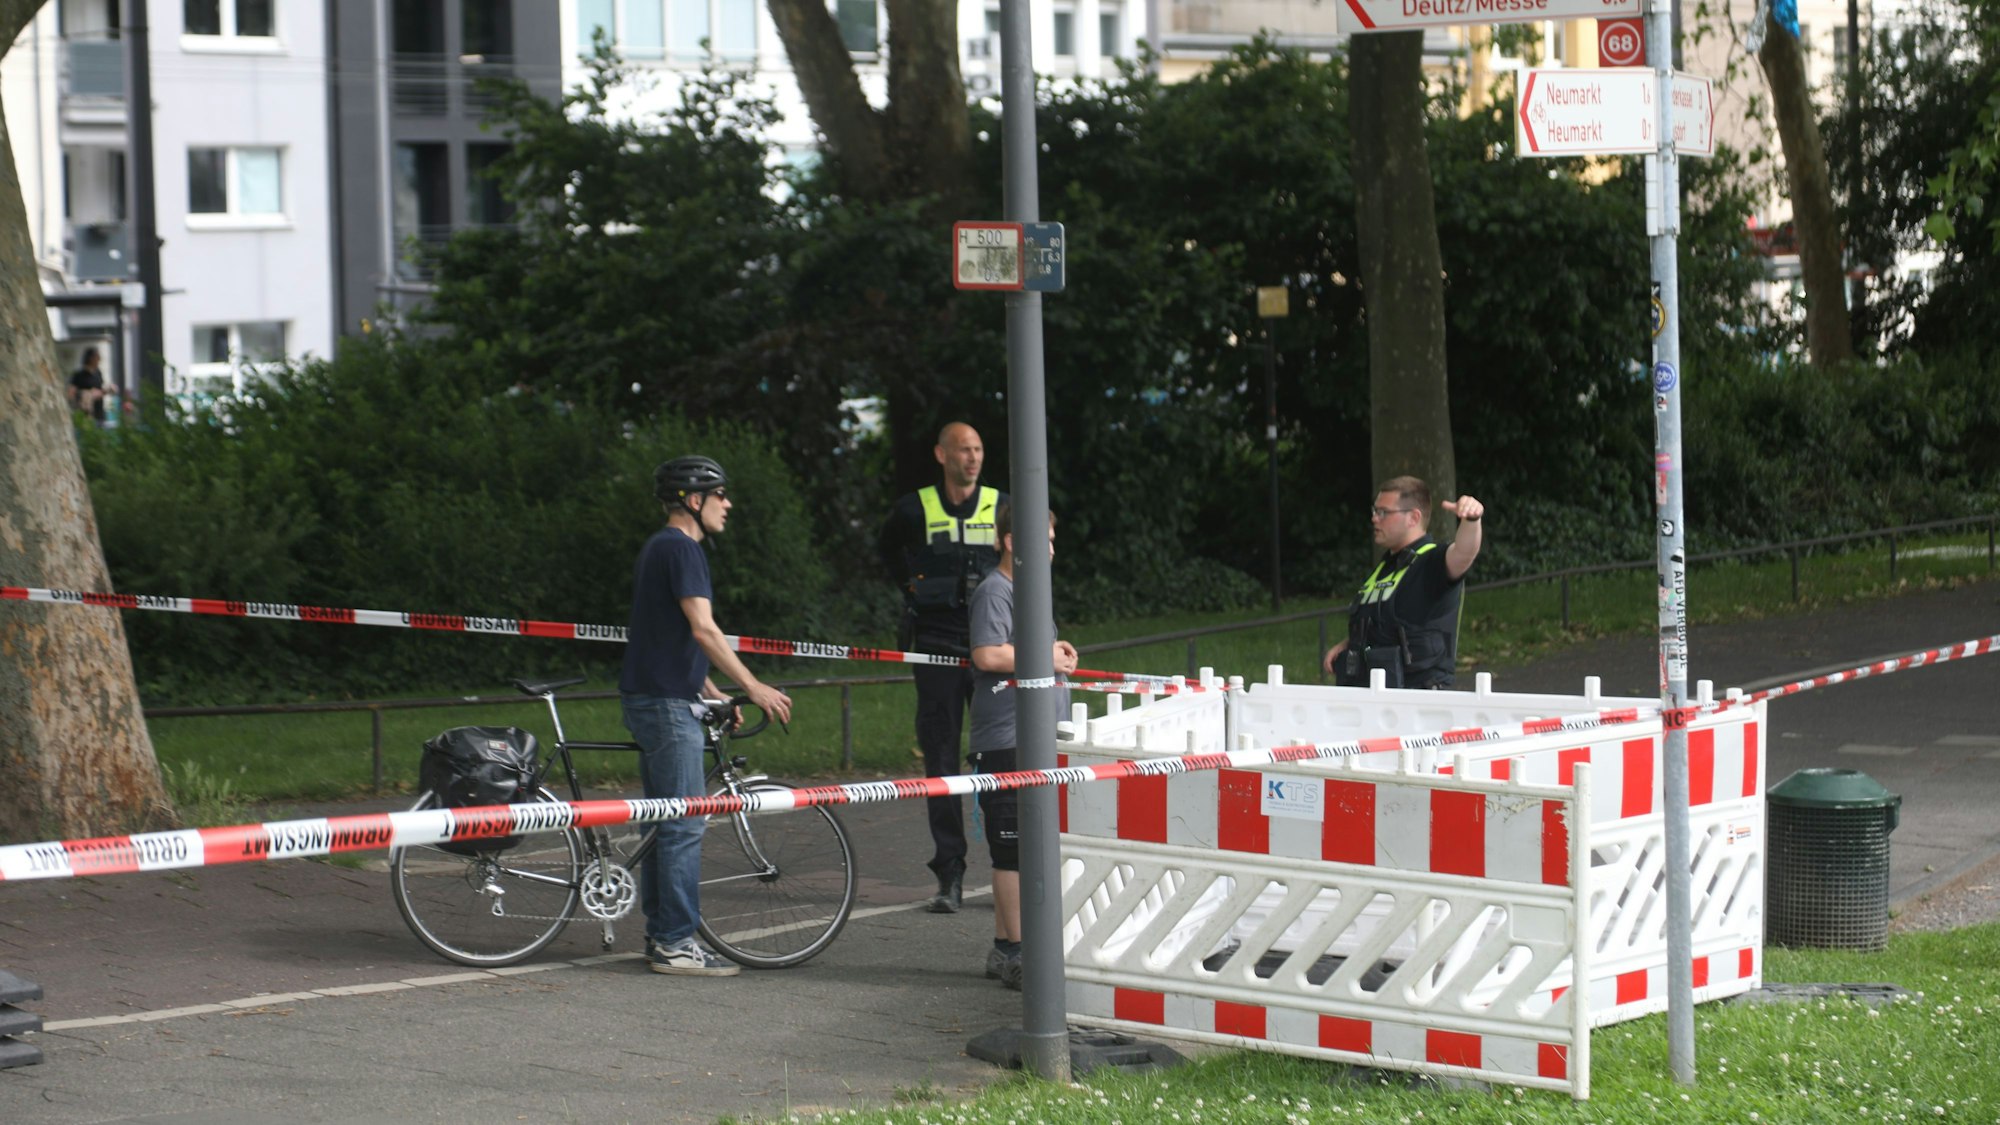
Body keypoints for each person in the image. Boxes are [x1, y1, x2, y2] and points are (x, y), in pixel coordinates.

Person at [621, 455, 794, 976]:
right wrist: (752, 685)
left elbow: (668, 643)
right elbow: (703, 631)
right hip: (667, 708)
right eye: (721, 494)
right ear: (694, 501)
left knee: (663, 822)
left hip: (656, 698)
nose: (729, 504)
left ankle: (662, 937)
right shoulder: (684, 549)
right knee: (685, 825)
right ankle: (675, 943)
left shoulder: (660, 547)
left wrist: (714, 696)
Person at [877, 422, 1004, 913]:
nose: (972, 459)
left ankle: (1009, 863)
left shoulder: (1003, 504)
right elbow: (886, 550)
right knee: (942, 759)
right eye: (962, 450)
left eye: (977, 449)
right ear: (941, 455)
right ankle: (949, 873)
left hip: (992, 641)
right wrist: (911, 590)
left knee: (1003, 756)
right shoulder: (914, 508)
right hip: (936, 644)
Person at [967, 501, 1077, 988]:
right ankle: (1015, 950)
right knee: (1012, 849)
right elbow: (989, 654)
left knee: (1022, 845)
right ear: (1013, 542)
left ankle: (1002, 947)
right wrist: (1047, 655)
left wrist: (1057, 656)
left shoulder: (1030, 592)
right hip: (1007, 740)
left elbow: (1026, 653)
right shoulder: (996, 591)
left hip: (1033, 738)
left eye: (1053, 540)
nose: (1052, 549)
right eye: (1044, 540)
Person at [1320, 477, 1485, 690]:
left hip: (1414, 698)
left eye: (1383, 512)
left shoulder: (1432, 561)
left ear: (1413, 518)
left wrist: (1472, 520)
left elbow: (1465, 552)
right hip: (1373, 696)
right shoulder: (1387, 566)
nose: (1374, 519)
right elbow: (1387, 624)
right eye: (1374, 511)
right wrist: (1349, 645)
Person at [68, 348, 108, 427]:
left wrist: (105, 391)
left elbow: (100, 391)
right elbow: (71, 393)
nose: (99, 360)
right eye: (97, 357)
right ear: (91, 358)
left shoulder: (98, 373)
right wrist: (86, 394)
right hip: (84, 415)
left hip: (98, 413)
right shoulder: (79, 375)